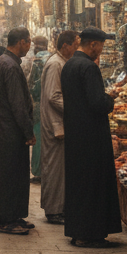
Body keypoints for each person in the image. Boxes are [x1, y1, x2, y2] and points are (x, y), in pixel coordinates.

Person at [62, 28, 121, 247]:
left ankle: (79, 231)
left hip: (76, 133)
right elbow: (97, 103)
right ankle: (90, 233)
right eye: (102, 47)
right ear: (93, 45)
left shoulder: (69, 64)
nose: (101, 52)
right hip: (91, 135)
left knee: (80, 184)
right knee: (93, 184)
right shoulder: (88, 67)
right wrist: (110, 99)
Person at [0, 27, 34, 235]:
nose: (29, 45)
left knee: (14, 175)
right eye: (28, 41)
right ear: (21, 42)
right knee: (10, 175)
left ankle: (15, 216)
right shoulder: (10, 66)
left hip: (6, 129)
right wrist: (28, 131)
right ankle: (7, 219)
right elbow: (17, 104)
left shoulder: (4, 62)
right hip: (10, 131)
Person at [39, 31, 78, 225]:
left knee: (59, 168)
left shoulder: (62, 62)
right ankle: (54, 210)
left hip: (59, 123)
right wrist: (78, 108)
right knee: (54, 168)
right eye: (75, 45)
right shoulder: (56, 64)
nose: (77, 49)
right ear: (65, 46)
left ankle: (58, 207)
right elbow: (53, 96)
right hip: (55, 124)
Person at [26, 35, 49, 180]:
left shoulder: (38, 61)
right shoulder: (53, 58)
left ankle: (38, 171)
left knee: (38, 139)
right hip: (52, 106)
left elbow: (33, 86)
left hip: (40, 106)